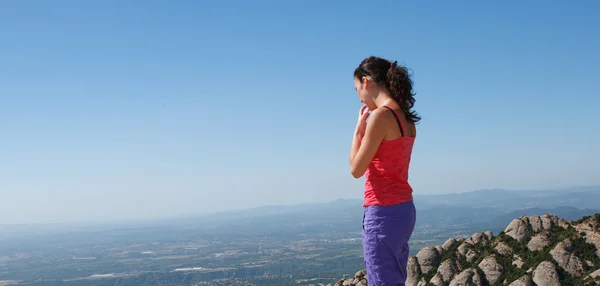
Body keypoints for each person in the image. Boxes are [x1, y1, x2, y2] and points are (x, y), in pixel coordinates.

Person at [349, 56, 420, 286]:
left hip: (382, 212)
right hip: (404, 211)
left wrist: (358, 132)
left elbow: (356, 168)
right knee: (394, 278)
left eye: (357, 89)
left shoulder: (381, 116)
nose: (359, 96)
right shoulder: (407, 120)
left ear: (366, 81)